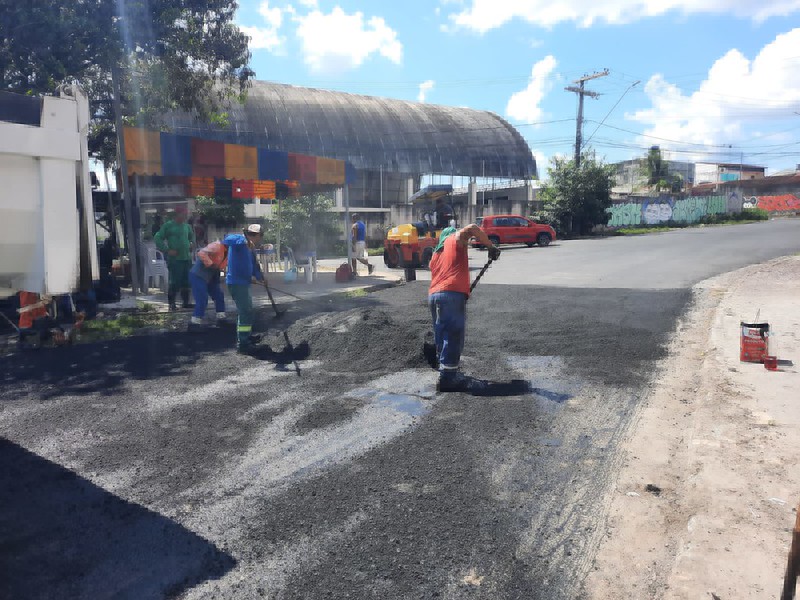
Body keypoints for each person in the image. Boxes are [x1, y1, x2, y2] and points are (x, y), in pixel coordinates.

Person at [428, 224, 500, 392]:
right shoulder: (454, 239)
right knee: (454, 333)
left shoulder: (435, 255)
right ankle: (449, 378)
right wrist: (490, 246)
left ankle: (444, 369)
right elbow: (473, 228)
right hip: (450, 294)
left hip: (434, 296)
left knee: (442, 332)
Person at [224, 224, 265, 354]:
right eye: (260, 236)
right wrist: (243, 241)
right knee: (245, 311)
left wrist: (260, 277)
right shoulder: (238, 241)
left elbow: (253, 265)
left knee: (247, 310)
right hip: (236, 282)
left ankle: (246, 336)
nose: (260, 239)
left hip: (244, 283)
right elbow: (226, 239)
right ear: (256, 235)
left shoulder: (251, 248)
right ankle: (243, 344)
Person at [154, 205, 195, 310]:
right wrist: (166, 250)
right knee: (175, 281)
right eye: (183, 214)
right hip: (175, 259)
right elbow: (158, 237)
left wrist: (192, 243)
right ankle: (172, 303)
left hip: (186, 258)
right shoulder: (168, 226)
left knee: (186, 281)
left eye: (185, 214)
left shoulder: (187, 226)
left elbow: (192, 237)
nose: (185, 216)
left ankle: (185, 302)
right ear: (177, 214)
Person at [188, 239, 230, 332]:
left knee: (219, 295)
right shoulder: (217, 246)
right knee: (202, 299)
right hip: (199, 275)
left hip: (212, 275)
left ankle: (221, 318)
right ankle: (194, 323)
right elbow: (201, 253)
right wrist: (210, 264)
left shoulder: (229, 252)